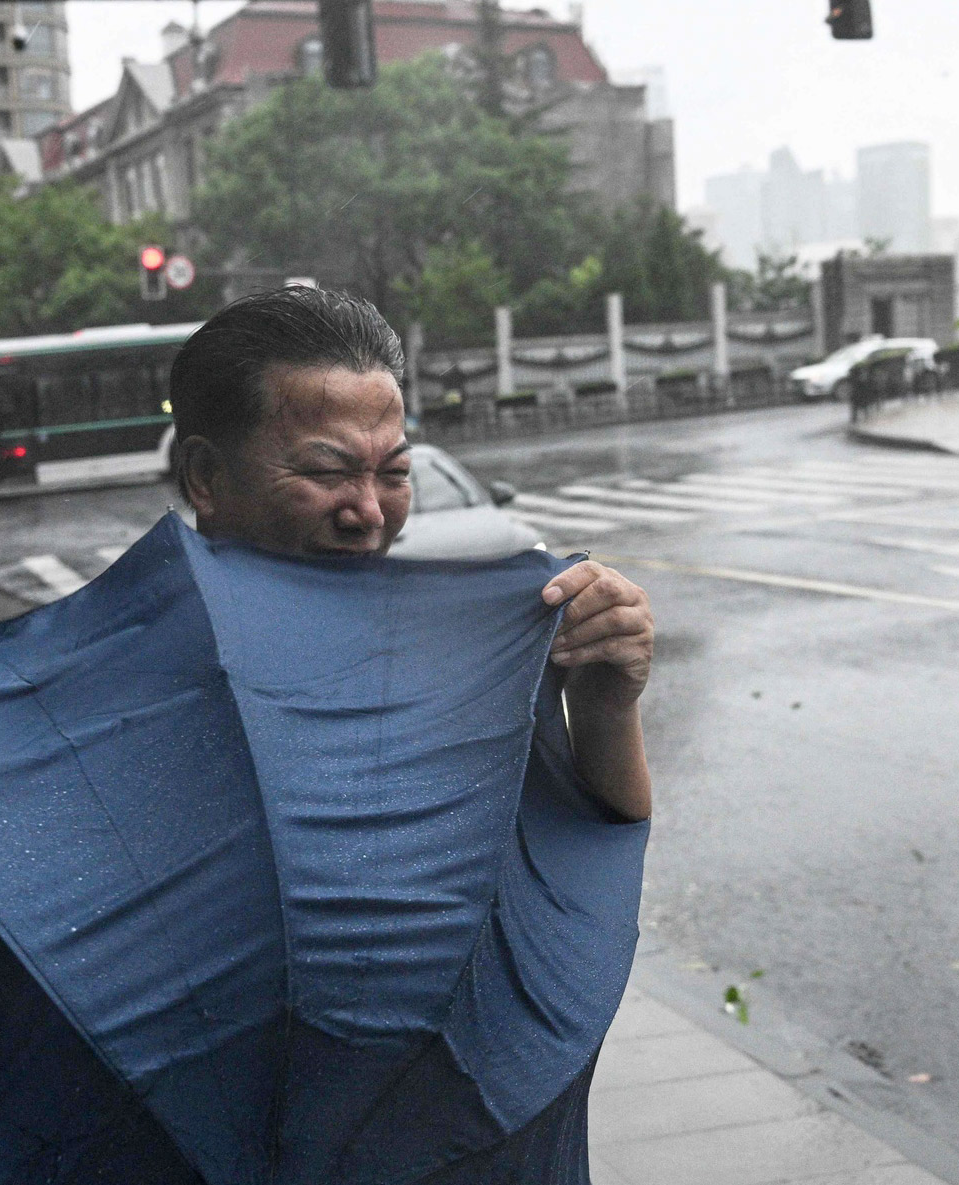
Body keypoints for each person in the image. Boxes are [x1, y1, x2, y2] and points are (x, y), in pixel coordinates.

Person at [170, 285, 654, 821]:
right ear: (205, 477)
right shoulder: (132, 683)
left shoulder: (451, 655)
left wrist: (604, 707)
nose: (372, 514)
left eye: (396, 473)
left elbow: (586, 839)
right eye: (328, 472)